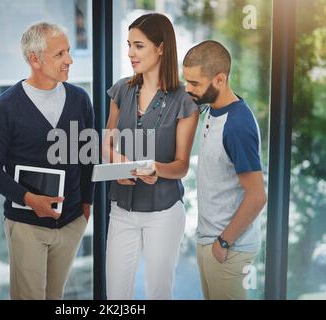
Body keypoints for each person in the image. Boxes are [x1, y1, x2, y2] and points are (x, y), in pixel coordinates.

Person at [0, 22, 95, 300]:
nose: (69, 60)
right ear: (35, 59)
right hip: (27, 226)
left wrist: (86, 205)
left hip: (71, 222)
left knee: (56, 296)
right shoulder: (5, 108)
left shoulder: (80, 99)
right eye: (59, 54)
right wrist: (30, 199)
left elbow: (88, 157)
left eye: (68, 51)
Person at [103, 13, 199, 300]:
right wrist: (118, 166)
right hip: (122, 210)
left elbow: (181, 166)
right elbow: (106, 144)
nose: (131, 53)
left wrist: (154, 168)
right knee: (116, 295)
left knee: (159, 292)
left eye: (139, 46)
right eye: (129, 45)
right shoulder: (122, 89)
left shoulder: (185, 100)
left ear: (161, 48)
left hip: (164, 213)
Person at [182, 40, 267, 300]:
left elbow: (257, 196)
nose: (188, 89)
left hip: (228, 248)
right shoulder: (212, 110)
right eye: (187, 81)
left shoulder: (237, 125)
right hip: (210, 241)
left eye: (195, 83)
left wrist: (223, 242)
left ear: (220, 79)